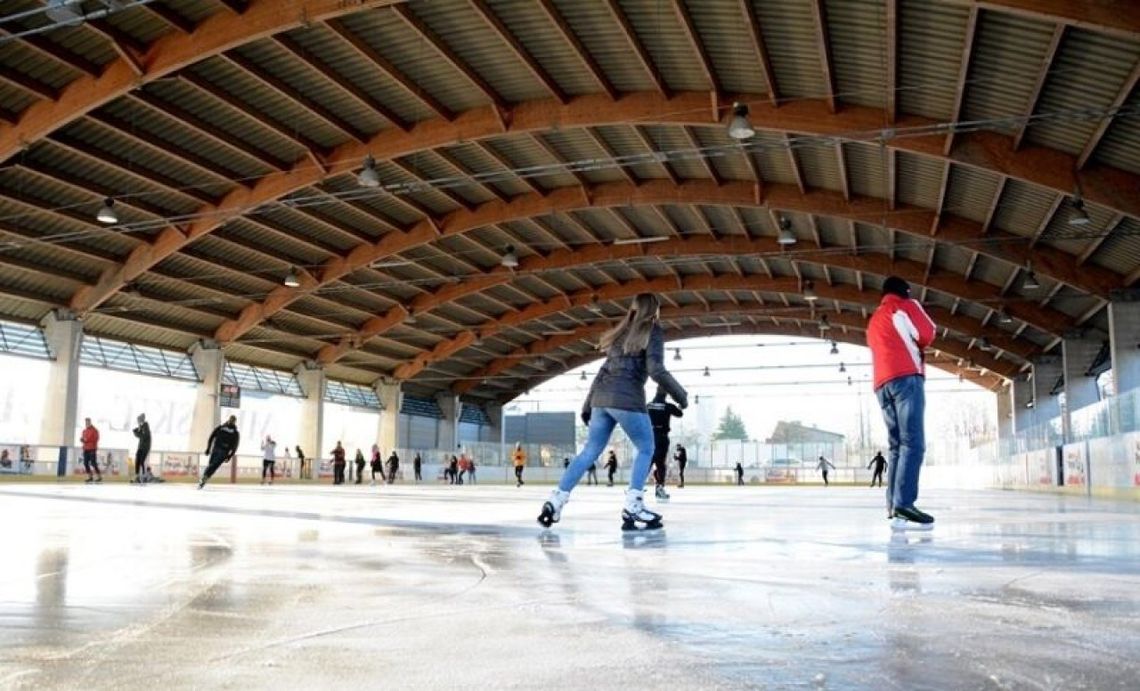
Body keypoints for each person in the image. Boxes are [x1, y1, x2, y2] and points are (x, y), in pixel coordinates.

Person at [537, 293, 687, 531]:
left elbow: (602, 371)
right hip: (627, 399)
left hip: (601, 400)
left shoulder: (619, 335)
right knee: (647, 448)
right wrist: (681, 395)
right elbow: (656, 370)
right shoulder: (652, 330)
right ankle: (634, 505)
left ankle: (556, 501)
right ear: (655, 311)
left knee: (589, 452)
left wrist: (588, 405)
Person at [867, 275, 936, 530]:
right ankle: (904, 503)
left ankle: (893, 505)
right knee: (913, 443)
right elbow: (927, 334)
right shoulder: (905, 305)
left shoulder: (874, 319)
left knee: (896, 446)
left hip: (881, 385)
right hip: (906, 378)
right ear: (905, 291)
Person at [647, 385, 683, 501]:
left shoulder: (648, 406)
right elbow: (679, 413)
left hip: (649, 437)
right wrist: (680, 403)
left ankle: (636, 487)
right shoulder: (668, 406)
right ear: (666, 394)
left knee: (647, 461)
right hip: (661, 437)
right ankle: (660, 488)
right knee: (660, 464)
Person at [199, 415, 239, 489]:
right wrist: (208, 448)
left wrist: (230, 456)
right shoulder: (221, 427)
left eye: (233, 420)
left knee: (214, 465)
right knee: (211, 465)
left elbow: (235, 446)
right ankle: (204, 478)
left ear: (234, 422)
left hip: (224, 452)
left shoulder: (235, 432)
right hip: (216, 449)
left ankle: (204, 478)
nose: (231, 421)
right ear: (229, 420)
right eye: (231, 420)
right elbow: (212, 436)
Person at [80, 417, 102, 483]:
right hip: (86, 448)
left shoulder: (94, 430)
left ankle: (99, 476)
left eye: (88, 422)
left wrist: (86, 440)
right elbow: (84, 439)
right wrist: (82, 440)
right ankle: (90, 477)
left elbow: (96, 439)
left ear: (90, 422)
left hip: (92, 448)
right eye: (86, 422)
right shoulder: (84, 431)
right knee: (85, 463)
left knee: (93, 463)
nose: (87, 423)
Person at [132, 414, 152, 484]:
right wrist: (136, 431)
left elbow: (143, 436)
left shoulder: (146, 426)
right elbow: (139, 434)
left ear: (141, 419)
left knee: (142, 461)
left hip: (145, 447)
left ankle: (143, 476)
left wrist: (136, 433)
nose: (138, 421)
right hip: (140, 446)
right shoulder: (142, 426)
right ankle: (137, 476)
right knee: (137, 460)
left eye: (138, 420)